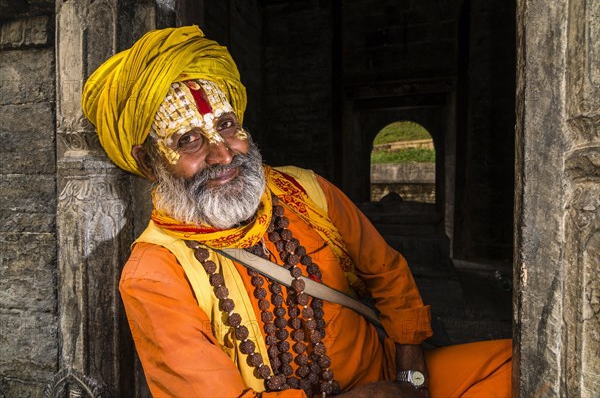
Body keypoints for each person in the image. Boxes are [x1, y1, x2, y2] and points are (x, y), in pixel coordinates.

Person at [82, 25, 512, 398]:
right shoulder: (154, 273)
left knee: (517, 365)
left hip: (391, 377)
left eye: (228, 126)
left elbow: (387, 273)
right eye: (188, 141)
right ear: (147, 162)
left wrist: (411, 378)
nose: (222, 154)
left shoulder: (305, 190)